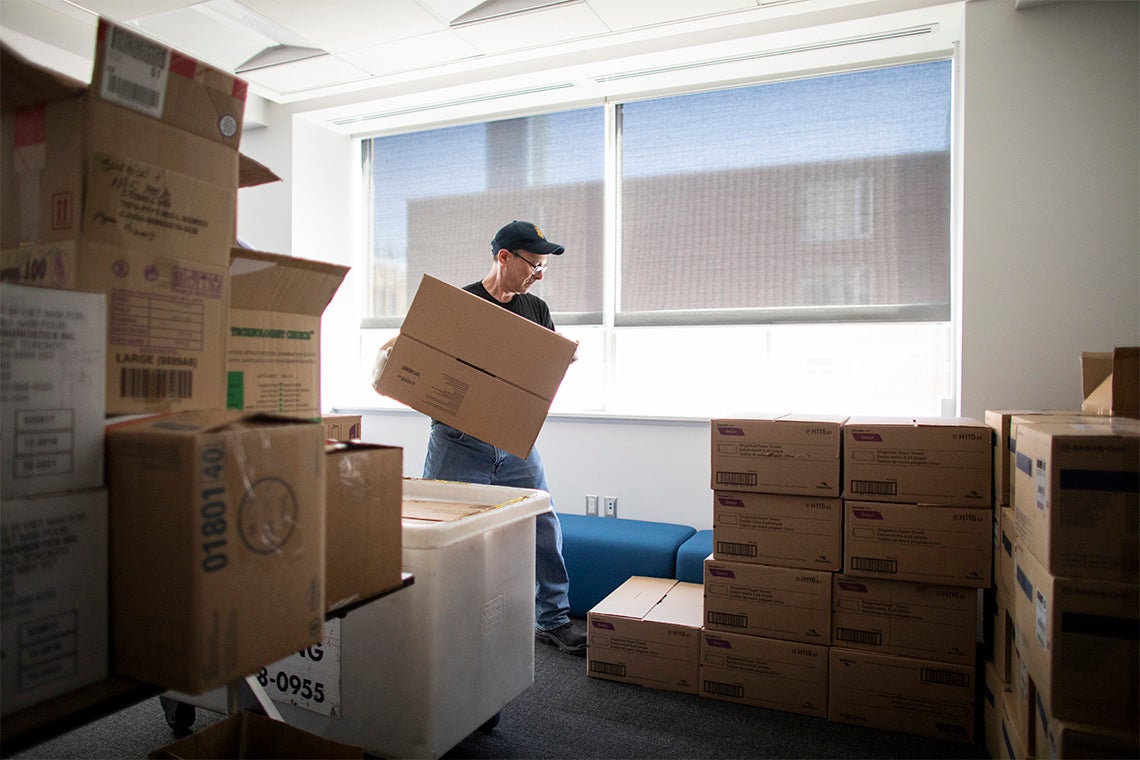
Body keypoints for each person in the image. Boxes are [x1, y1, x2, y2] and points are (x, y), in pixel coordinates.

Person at [376, 221, 586, 656]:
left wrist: (561, 359)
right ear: (504, 256)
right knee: (445, 533)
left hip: (514, 444)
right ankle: (434, 619)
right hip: (458, 443)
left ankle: (553, 619)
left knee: (544, 525)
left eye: (545, 267)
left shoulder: (536, 309)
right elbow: (408, 358)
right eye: (534, 264)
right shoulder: (460, 305)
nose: (539, 274)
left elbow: (536, 374)